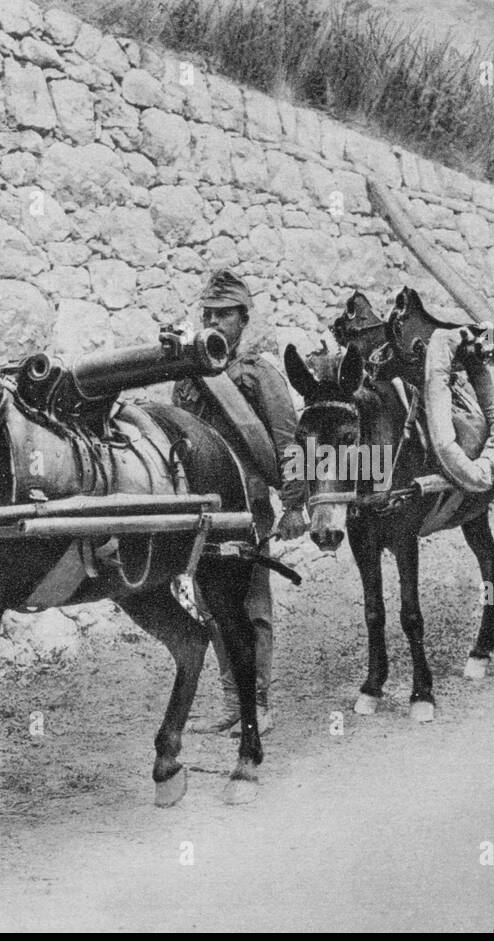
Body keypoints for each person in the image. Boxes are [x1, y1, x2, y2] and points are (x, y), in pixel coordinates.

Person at [173, 270, 308, 735]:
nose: (213, 321)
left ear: (243, 319)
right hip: (200, 509)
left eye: (223, 314)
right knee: (211, 606)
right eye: (206, 313)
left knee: (252, 608)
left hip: (247, 508)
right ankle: (233, 700)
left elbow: (289, 440)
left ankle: (260, 703)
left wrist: (294, 505)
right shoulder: (191, 371)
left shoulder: (256, 372)